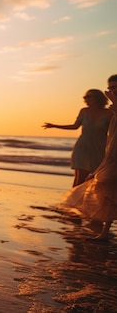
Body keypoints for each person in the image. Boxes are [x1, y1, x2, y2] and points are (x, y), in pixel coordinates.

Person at [62, 74, 117, 240]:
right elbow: (75, 126)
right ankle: (97, 223)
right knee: (103, 185)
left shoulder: (110, 111)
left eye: (116, 87)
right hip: (104, 151)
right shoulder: (101, 110)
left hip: (101, 150)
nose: (113, 91)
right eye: (111, 88)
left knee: (107, 185)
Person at [43, 89, 111, 187]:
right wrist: (55, 126)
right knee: (79, 177)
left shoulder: (109, 113)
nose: (85, 99)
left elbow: (113, 131)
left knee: (96, 178)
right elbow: (75, 126)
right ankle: (73, 201)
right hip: (82, 146)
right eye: (85, 97)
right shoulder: (84, 111)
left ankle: (84, 200)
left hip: (100, 148)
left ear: (97, 98)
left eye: (88, 96)